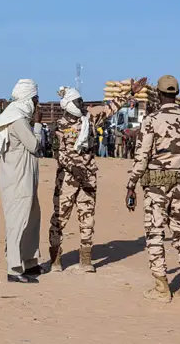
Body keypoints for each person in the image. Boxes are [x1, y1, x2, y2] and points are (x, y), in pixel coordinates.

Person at [49, 78, 147, 272]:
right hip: (67, 179)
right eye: (78, 102)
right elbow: (58, 154)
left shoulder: (90, 118)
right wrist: (75, 170)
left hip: (88, 178)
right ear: (68, 104)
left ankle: (86, 260)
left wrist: (130, 92)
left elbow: (111, 107)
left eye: (82, 101)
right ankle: (55, 259)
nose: (82, 104)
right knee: (59, 218)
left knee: (87, 218)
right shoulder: (59, 126)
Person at [126, 75, 180, 303]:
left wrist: (131, 185)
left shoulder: (152, 120)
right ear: (176, 94)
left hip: (156, 185)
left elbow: (141, 156)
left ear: (158, 94)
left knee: (155, 233)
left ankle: (161, 288)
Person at [0, 79, 43, 283]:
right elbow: (34, 145)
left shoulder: (17, 117)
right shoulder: (17, 120)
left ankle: (29, 262)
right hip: (18, 179)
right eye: (35, 99)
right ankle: (14, 268)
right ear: (28, 99)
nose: (37, 104)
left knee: (32, 219)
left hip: (25, 178)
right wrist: (37, 124)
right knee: (18, 221)